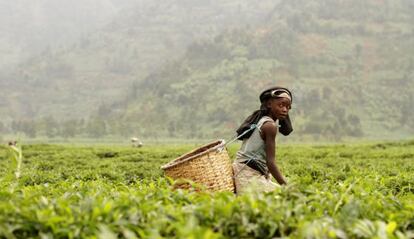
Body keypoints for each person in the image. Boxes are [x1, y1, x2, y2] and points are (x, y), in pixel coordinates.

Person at [233, 86, 293, 194]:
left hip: (245, 171)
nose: (285, 109)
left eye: (288, 107)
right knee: (286, 197)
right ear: (269, 104)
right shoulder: (270, 126)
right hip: (247, 176)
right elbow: (270, 163)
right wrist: (287, 187)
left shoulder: (261, 121)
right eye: (281, 105)